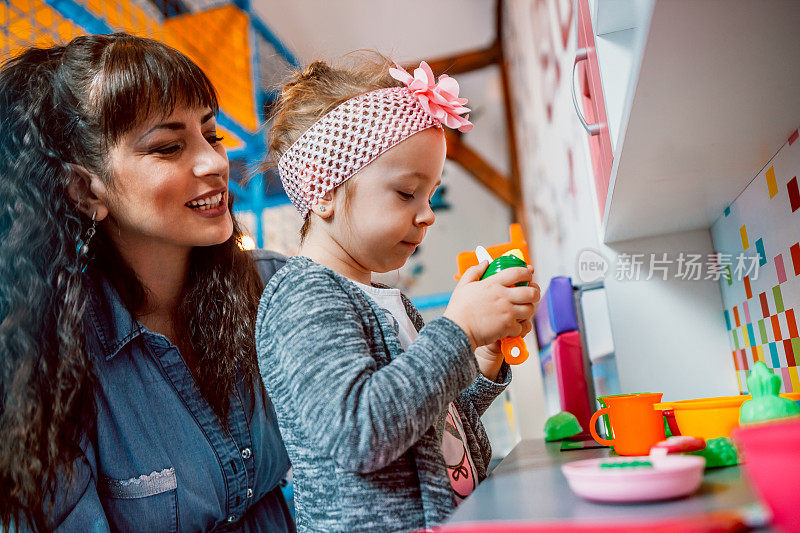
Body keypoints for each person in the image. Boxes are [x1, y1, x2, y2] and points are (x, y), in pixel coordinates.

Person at [0, 33, 294, 532]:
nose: (215, 163)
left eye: (212, 135)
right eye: (168, 147)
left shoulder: (275, 285)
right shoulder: (45, 357)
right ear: (84, 189)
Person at [256, 55, 541, 531]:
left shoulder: (388, 301)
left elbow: (427, 428)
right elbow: (361, 432)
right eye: (407, 193)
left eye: (430, 195)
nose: (427, 214)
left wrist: (483, 357)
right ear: (323, 188)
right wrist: (458, 331)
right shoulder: (302, 296)